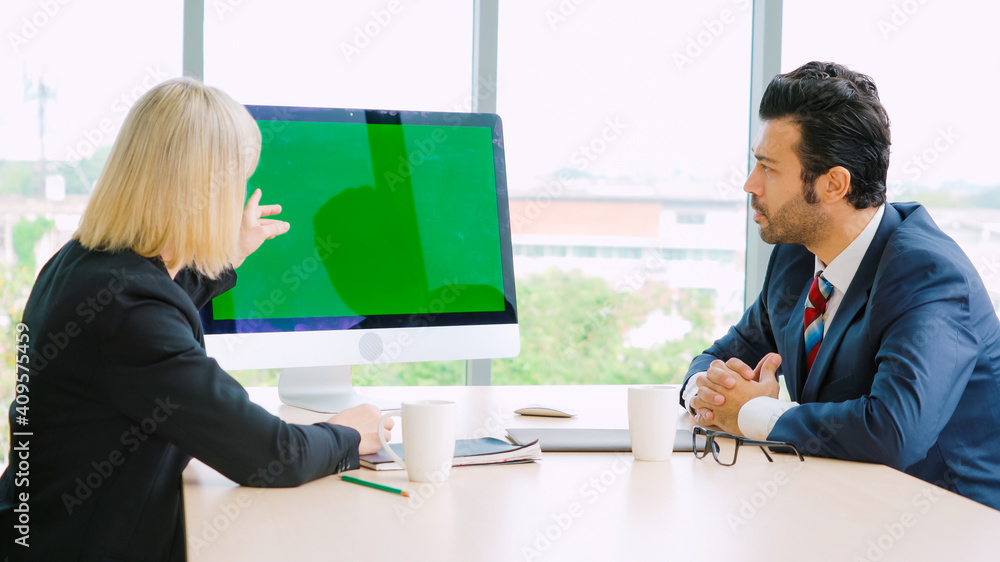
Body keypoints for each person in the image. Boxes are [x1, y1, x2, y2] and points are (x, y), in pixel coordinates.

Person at [0, 77, 393, 561]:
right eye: (237, 181)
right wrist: (351, 434)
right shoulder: (132, 310)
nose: (241, 193)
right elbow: (272, 456)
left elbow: (149, 322)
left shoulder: (80, 263)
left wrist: (226, 257)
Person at [682, 61, 1000, 511]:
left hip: (950, 526)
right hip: (843, 505)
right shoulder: (796, 256)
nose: (750, 184)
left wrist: (751, 412)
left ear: (834, 184)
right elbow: (726, 354)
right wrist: (705, 390)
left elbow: (892, 432)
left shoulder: (928, 275)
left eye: (769, 169)